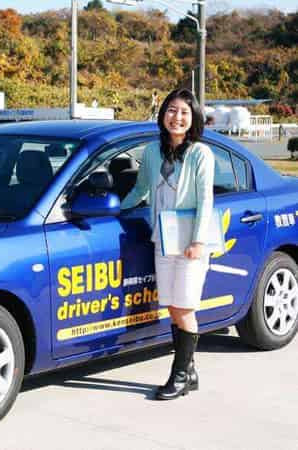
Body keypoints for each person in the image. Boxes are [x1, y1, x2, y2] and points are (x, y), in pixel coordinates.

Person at [121, 88, 215, 400]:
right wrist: (114, 208)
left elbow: (205, 200)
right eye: (172, 111)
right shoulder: (151, 151)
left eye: (184, 112)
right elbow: (141, 189)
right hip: (163, 239)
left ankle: (179, 376)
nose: (177, 117)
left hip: (191, 243)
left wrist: (199, 241)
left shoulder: (201, 153)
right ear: (163, 115)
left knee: (185, 308)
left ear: (193, 118)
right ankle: (190, 370)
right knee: (174, 307)